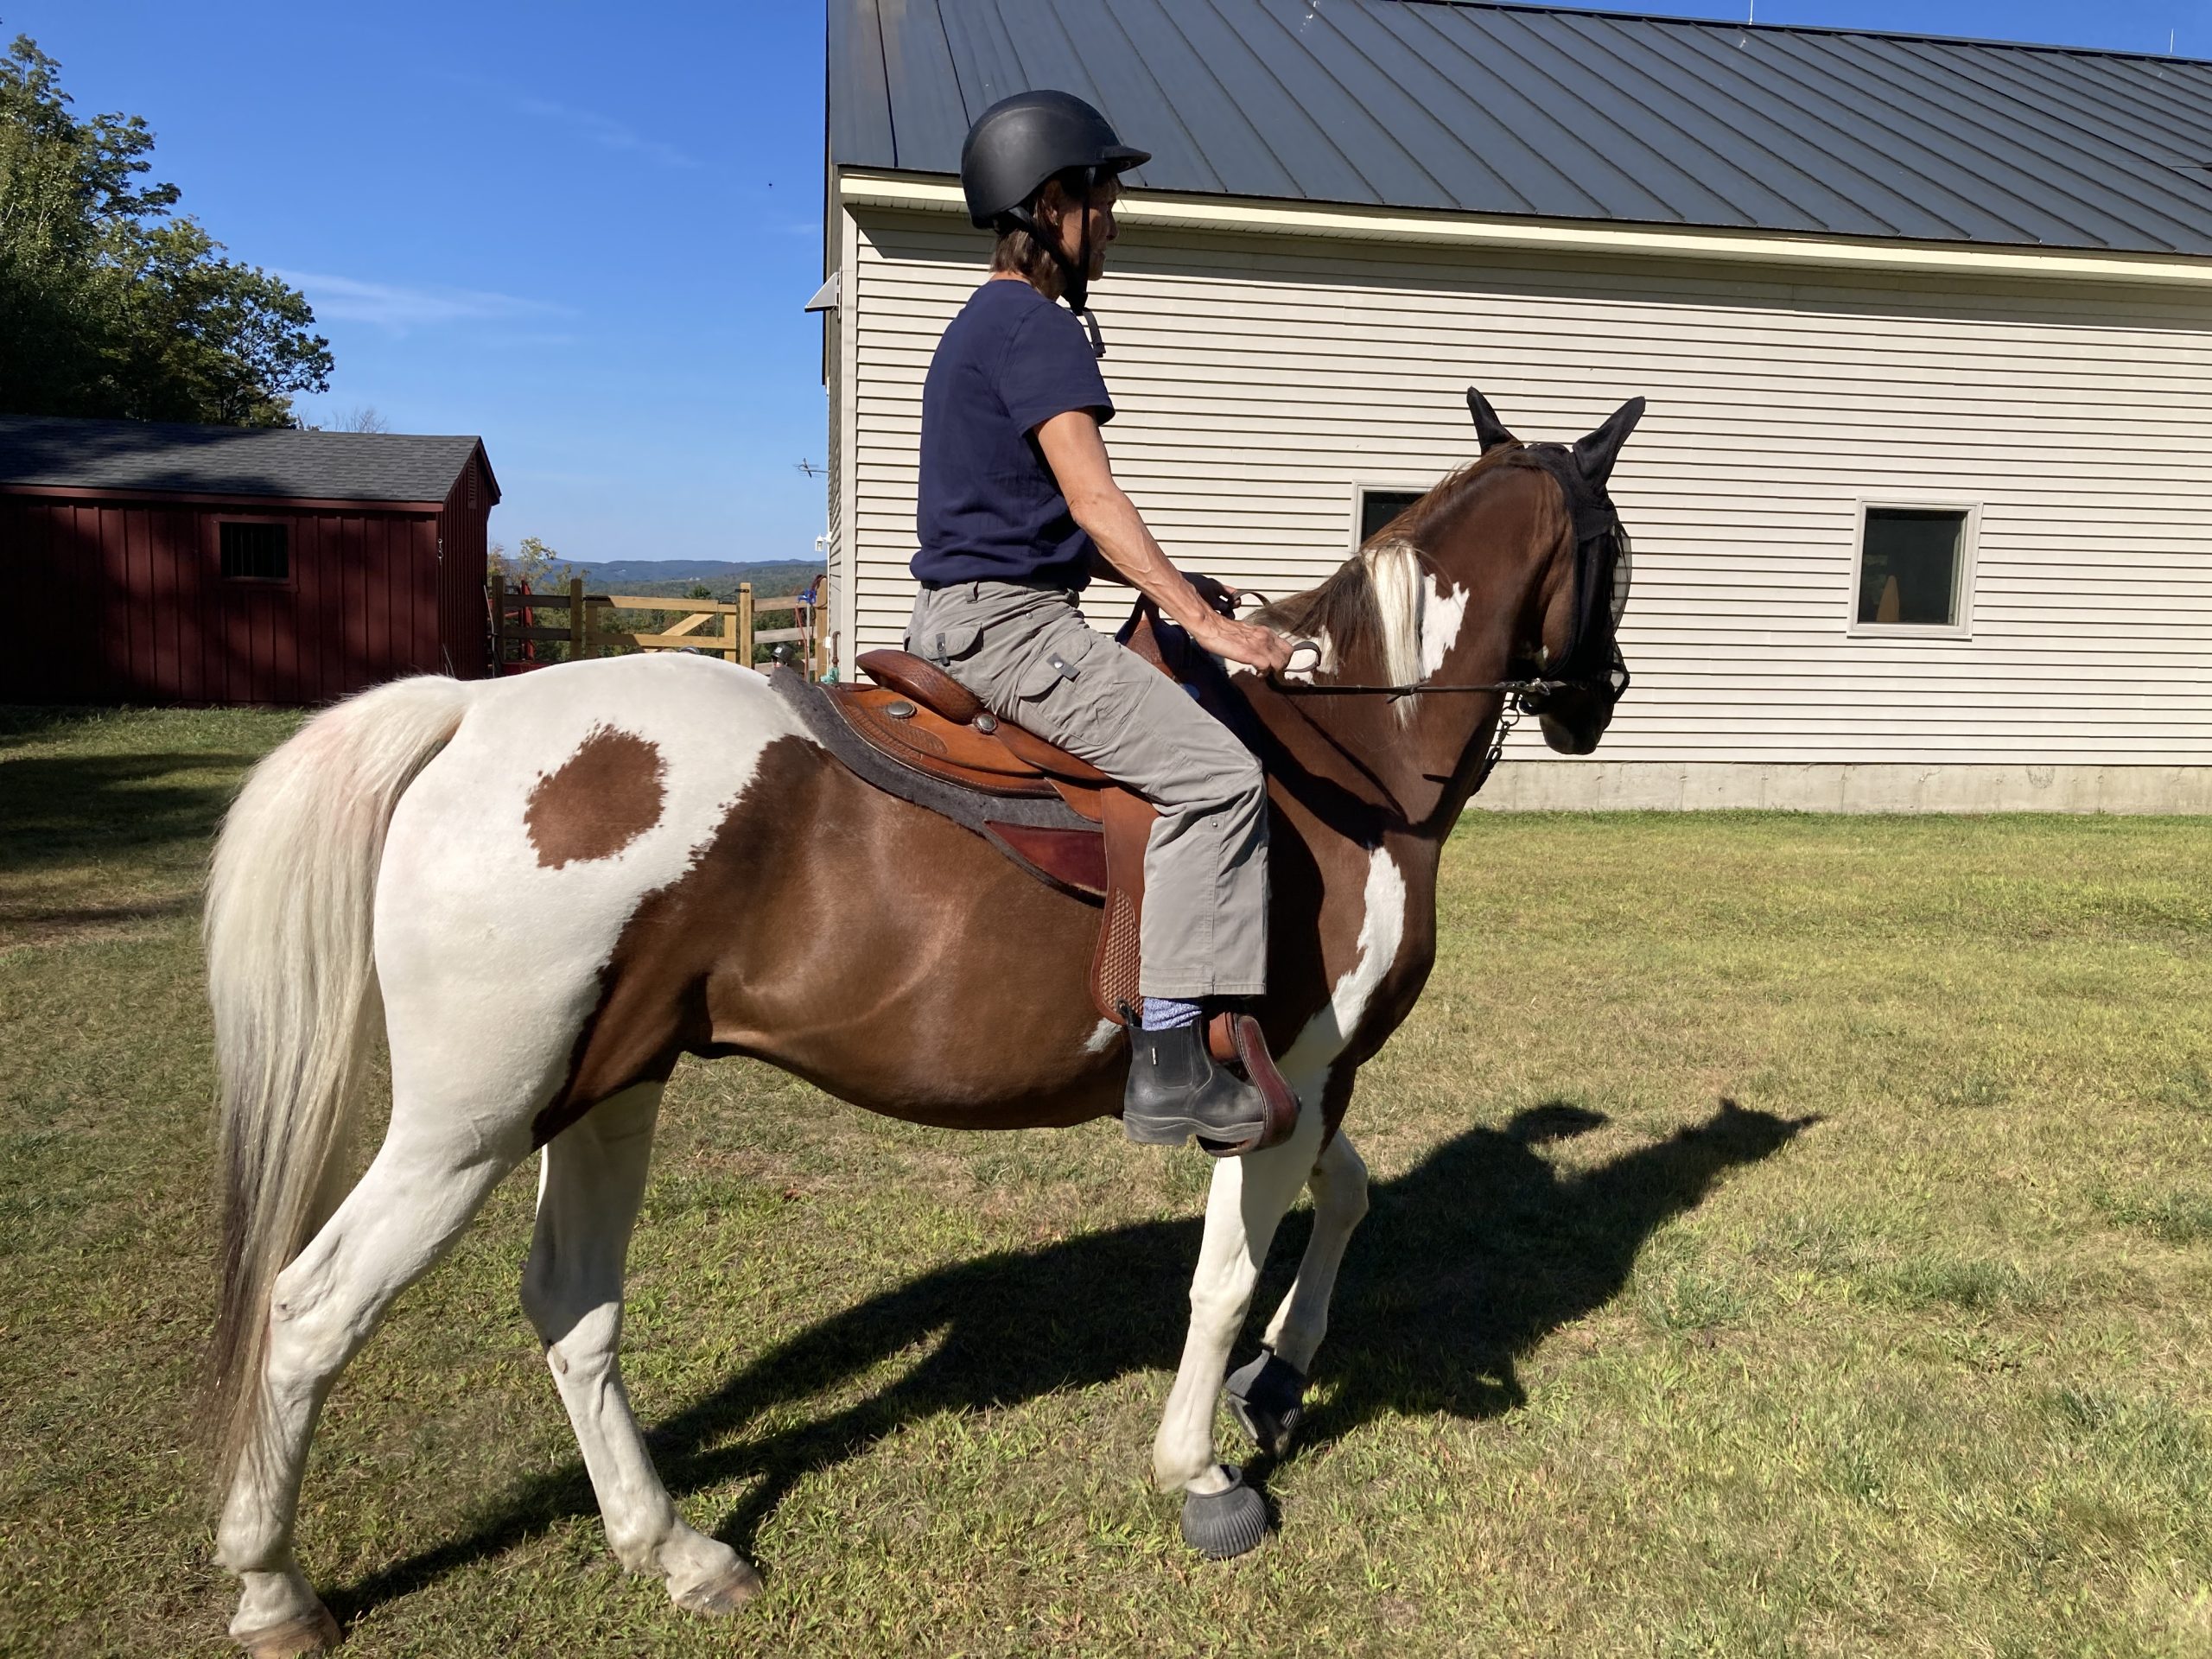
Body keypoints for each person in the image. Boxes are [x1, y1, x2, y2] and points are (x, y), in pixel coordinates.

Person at [905, 89, 1294, 1152]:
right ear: (1051, 205)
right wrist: (1207, 628)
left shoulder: (978, 326)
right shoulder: (1033, 326)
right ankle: (1168, 1063)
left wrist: (1174, 586)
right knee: (1218, 778)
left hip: (965, 611)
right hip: (1012, 630)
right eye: (1103, 199)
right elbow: (1095, 502)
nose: (1113, 222)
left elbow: (1026, 516)